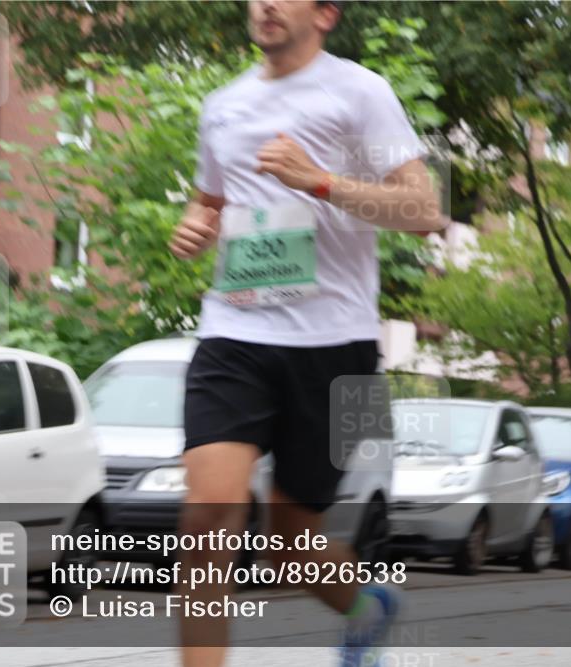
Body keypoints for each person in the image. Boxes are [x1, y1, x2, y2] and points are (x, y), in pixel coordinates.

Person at [167, 2, 445, 666]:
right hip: (234, 331)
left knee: (291, 544)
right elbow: (212, 196)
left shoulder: (360, 92)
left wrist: (316, 179)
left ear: (324, 13)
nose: (263, 4)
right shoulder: (222, 105)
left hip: (338, 346)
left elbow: (423, 209)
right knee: (208, 511)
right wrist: (195, 223)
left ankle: (364, 606)